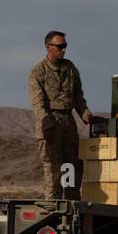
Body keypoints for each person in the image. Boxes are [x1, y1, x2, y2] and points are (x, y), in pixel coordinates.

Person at [28, 31, 92, 199]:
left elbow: (78, 95)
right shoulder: (38, 72)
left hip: (68, 122)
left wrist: (84, 112)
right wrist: (45, 121)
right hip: (50, 121)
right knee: (53, 167)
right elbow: (37, 102)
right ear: (48, 47)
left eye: (65, 46)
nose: (63, 50)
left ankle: (71, 202)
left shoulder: (70, 68)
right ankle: (53, 206)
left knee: (71, 164)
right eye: (59, 46)